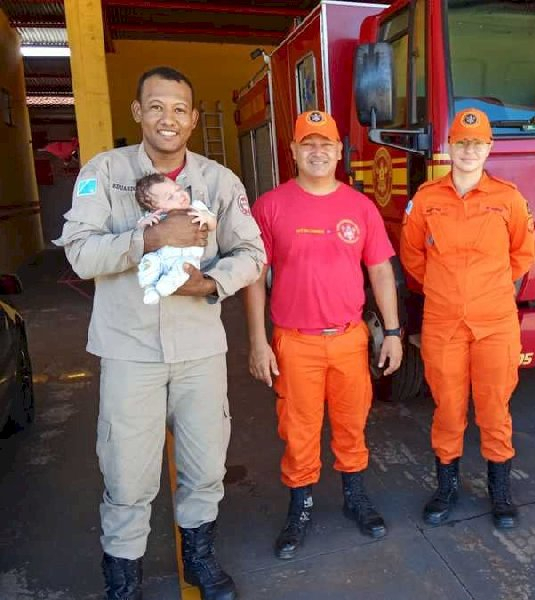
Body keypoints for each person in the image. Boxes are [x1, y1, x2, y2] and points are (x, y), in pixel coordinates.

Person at [56, 66, 265, 600]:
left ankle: (199, 557)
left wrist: (209, 284)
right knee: (126, 471)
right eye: (155, 106)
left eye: (178, 109)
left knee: (205, 462)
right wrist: (145, 241)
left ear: (194, 119)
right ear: (137, 112)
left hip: (199, 350)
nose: (166, 119)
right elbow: (80, 254)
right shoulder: (103, 173)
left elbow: (253, 255)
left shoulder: (220, 182)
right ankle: (123, 576)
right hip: (129, 351)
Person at [243, 110, 402, 560]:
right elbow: (254, 278)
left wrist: (391, 332)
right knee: (298, 431)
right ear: (293, 151)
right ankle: (301, 508)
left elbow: (380, 272)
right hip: (295, 343)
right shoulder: (270, 207)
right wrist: (258, 342)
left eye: (326, 144)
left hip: (350, 339)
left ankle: (356, 499)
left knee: (353, 425)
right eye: (307, 144)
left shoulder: (360, 206)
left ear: (338, 152)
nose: (317, 151)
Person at [399, 108, 535, 530]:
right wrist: (446, 290)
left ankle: (500, 492)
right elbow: (412, 257)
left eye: (477, 144)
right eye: (462, 143)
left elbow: (522, 254)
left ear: (489, 148)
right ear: (449, 147)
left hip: (495, 322)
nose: (469, 150)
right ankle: (447, 488)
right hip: (444, 324)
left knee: (495, 408)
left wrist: (485, 289)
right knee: (448, 408)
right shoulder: (426, 199)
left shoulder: (508, 198)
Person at [134, 173, 217, 304]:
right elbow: (138, 233)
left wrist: (206, 218)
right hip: (162, 260)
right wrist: (144, 223)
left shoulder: (196, 207)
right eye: (170, 197)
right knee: (149, 261)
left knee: (183, 268)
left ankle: (163, 288)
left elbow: (212, 224)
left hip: (188, 258)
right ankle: (150, 288)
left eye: (178, 189)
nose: (180, 195)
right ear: (157, 208)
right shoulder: (156, 217)